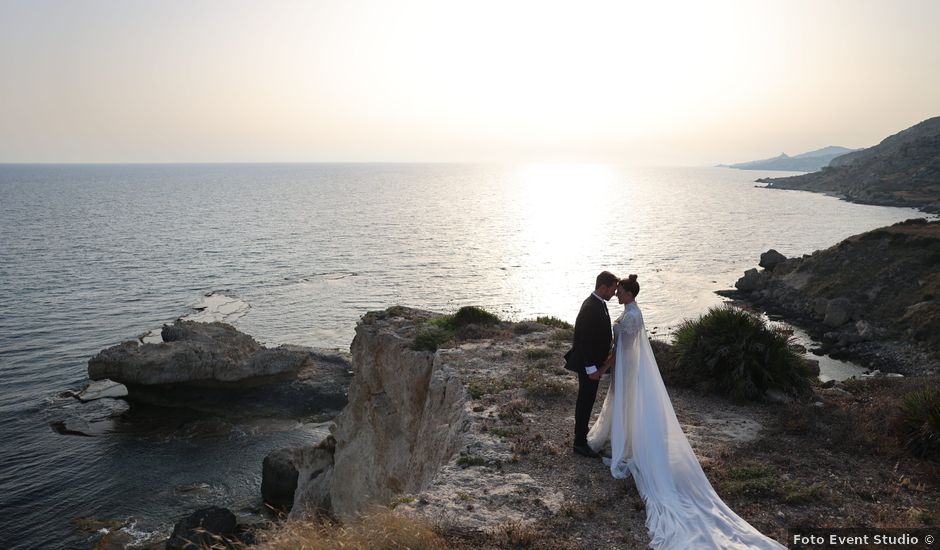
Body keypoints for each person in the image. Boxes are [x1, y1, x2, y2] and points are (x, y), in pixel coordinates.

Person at [587, 275, 785, 549]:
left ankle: (629, 447)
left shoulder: (632, 316)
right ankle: (628, 441)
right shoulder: (628, 312)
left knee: (628, 406)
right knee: (626, 407)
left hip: (628, 369)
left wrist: (604, 368)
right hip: (626, 368)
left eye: (620, 291)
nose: (618, 294)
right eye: (617, 291)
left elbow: (621, 349)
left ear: (630, 293)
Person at [566, 270, 619, 458]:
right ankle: (579, 443)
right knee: (584, 402)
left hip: (594, 364)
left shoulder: (599, 303)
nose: (614, 292)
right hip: (588, 366)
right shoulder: (591, 307)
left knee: (587, 401)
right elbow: (585, 341)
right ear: (603, 287)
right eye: (612, 289)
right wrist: (591, 369)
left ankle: (582, 438)